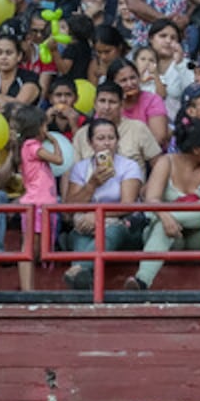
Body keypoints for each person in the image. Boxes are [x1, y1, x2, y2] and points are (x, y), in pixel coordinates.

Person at [126, 118, 200, 290]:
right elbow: (151, 200)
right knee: (162, 226)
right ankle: (141, 281)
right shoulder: (166, 161)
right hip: (169, 235)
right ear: (197, 149)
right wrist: (164, 216)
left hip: (198, 235)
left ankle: (141, 281)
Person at [62, 118, 145, 289]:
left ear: (117, 140)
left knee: (111, 230)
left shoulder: (129, 166)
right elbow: (70, 206)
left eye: (111, 138)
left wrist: (97, 216)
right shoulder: (81, 168)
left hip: (121, 226)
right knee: (81, 234)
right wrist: (92, 184)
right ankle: (83, 280)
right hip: (85, 225)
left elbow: (127, 205)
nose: (107, 143)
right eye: (100, 139)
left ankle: (78, 268)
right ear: (90, 143)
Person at [5, 104, 63, 291]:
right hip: (36, 203)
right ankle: (27, 289)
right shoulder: (32, 146)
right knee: (30, 249)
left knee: (40, 249)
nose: (47, 130)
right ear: (36, 127)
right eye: (45, 126)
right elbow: (59, 160)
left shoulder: (27, 146)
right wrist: (54, 142)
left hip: (43, 202)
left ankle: (30, 288)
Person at [71, 81, 163, 169]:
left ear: (122, 105)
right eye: (102, 101)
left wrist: (150, 185)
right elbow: (74, 174)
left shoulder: (138, 128)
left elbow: (158, 164)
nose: (106, 107)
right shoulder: (82, 134)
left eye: (112, 102)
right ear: (95, 104)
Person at [110, 58, 170, 147]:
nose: (130, 84)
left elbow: (159, 138)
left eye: (133, 78)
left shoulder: (153, 100)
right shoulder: (108, 104)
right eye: (123, 80)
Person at [0, 34, 41, 107]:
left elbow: (18, 105)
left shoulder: (30, 77)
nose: (4, 57)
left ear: (19, 56)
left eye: (9, 53)